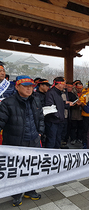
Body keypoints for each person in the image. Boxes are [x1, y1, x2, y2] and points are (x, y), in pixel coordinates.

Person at [0, 75, 44, 207]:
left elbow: (41, 118)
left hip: (34, 140)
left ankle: (30, 190)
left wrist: (40, 132)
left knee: (32, 167)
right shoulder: (8, 103)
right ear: (17, 87)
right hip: (15, 142)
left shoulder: (36, 100)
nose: (29, 88)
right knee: (17, 168)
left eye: (31, 86)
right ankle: (16, 193)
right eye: (25, 86)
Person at [44, 77, 73, 148]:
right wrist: (58, 115)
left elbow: (59, 104)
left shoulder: (58, 93)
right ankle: (50, 156)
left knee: (58, 139)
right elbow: (49, 106)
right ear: (58, 84)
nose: (65, 86)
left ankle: (57, 155)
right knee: (51, 140)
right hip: (52, 121)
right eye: (64, 84)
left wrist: (67, 104)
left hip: (59, 121)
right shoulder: (51, 93)